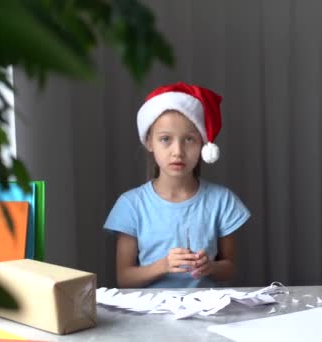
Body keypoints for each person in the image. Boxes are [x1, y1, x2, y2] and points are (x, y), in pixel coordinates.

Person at [104, 82, 250, 288]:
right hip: (152, 315)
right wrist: (163, 265)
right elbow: (124, 279)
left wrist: (211, 267)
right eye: (165, 139)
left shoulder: (222, 200)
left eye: (189, 139)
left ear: (203, 145)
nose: (178, 151)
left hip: (208, 313)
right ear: (149, 142)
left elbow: (229, 269)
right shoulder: (131, 204)